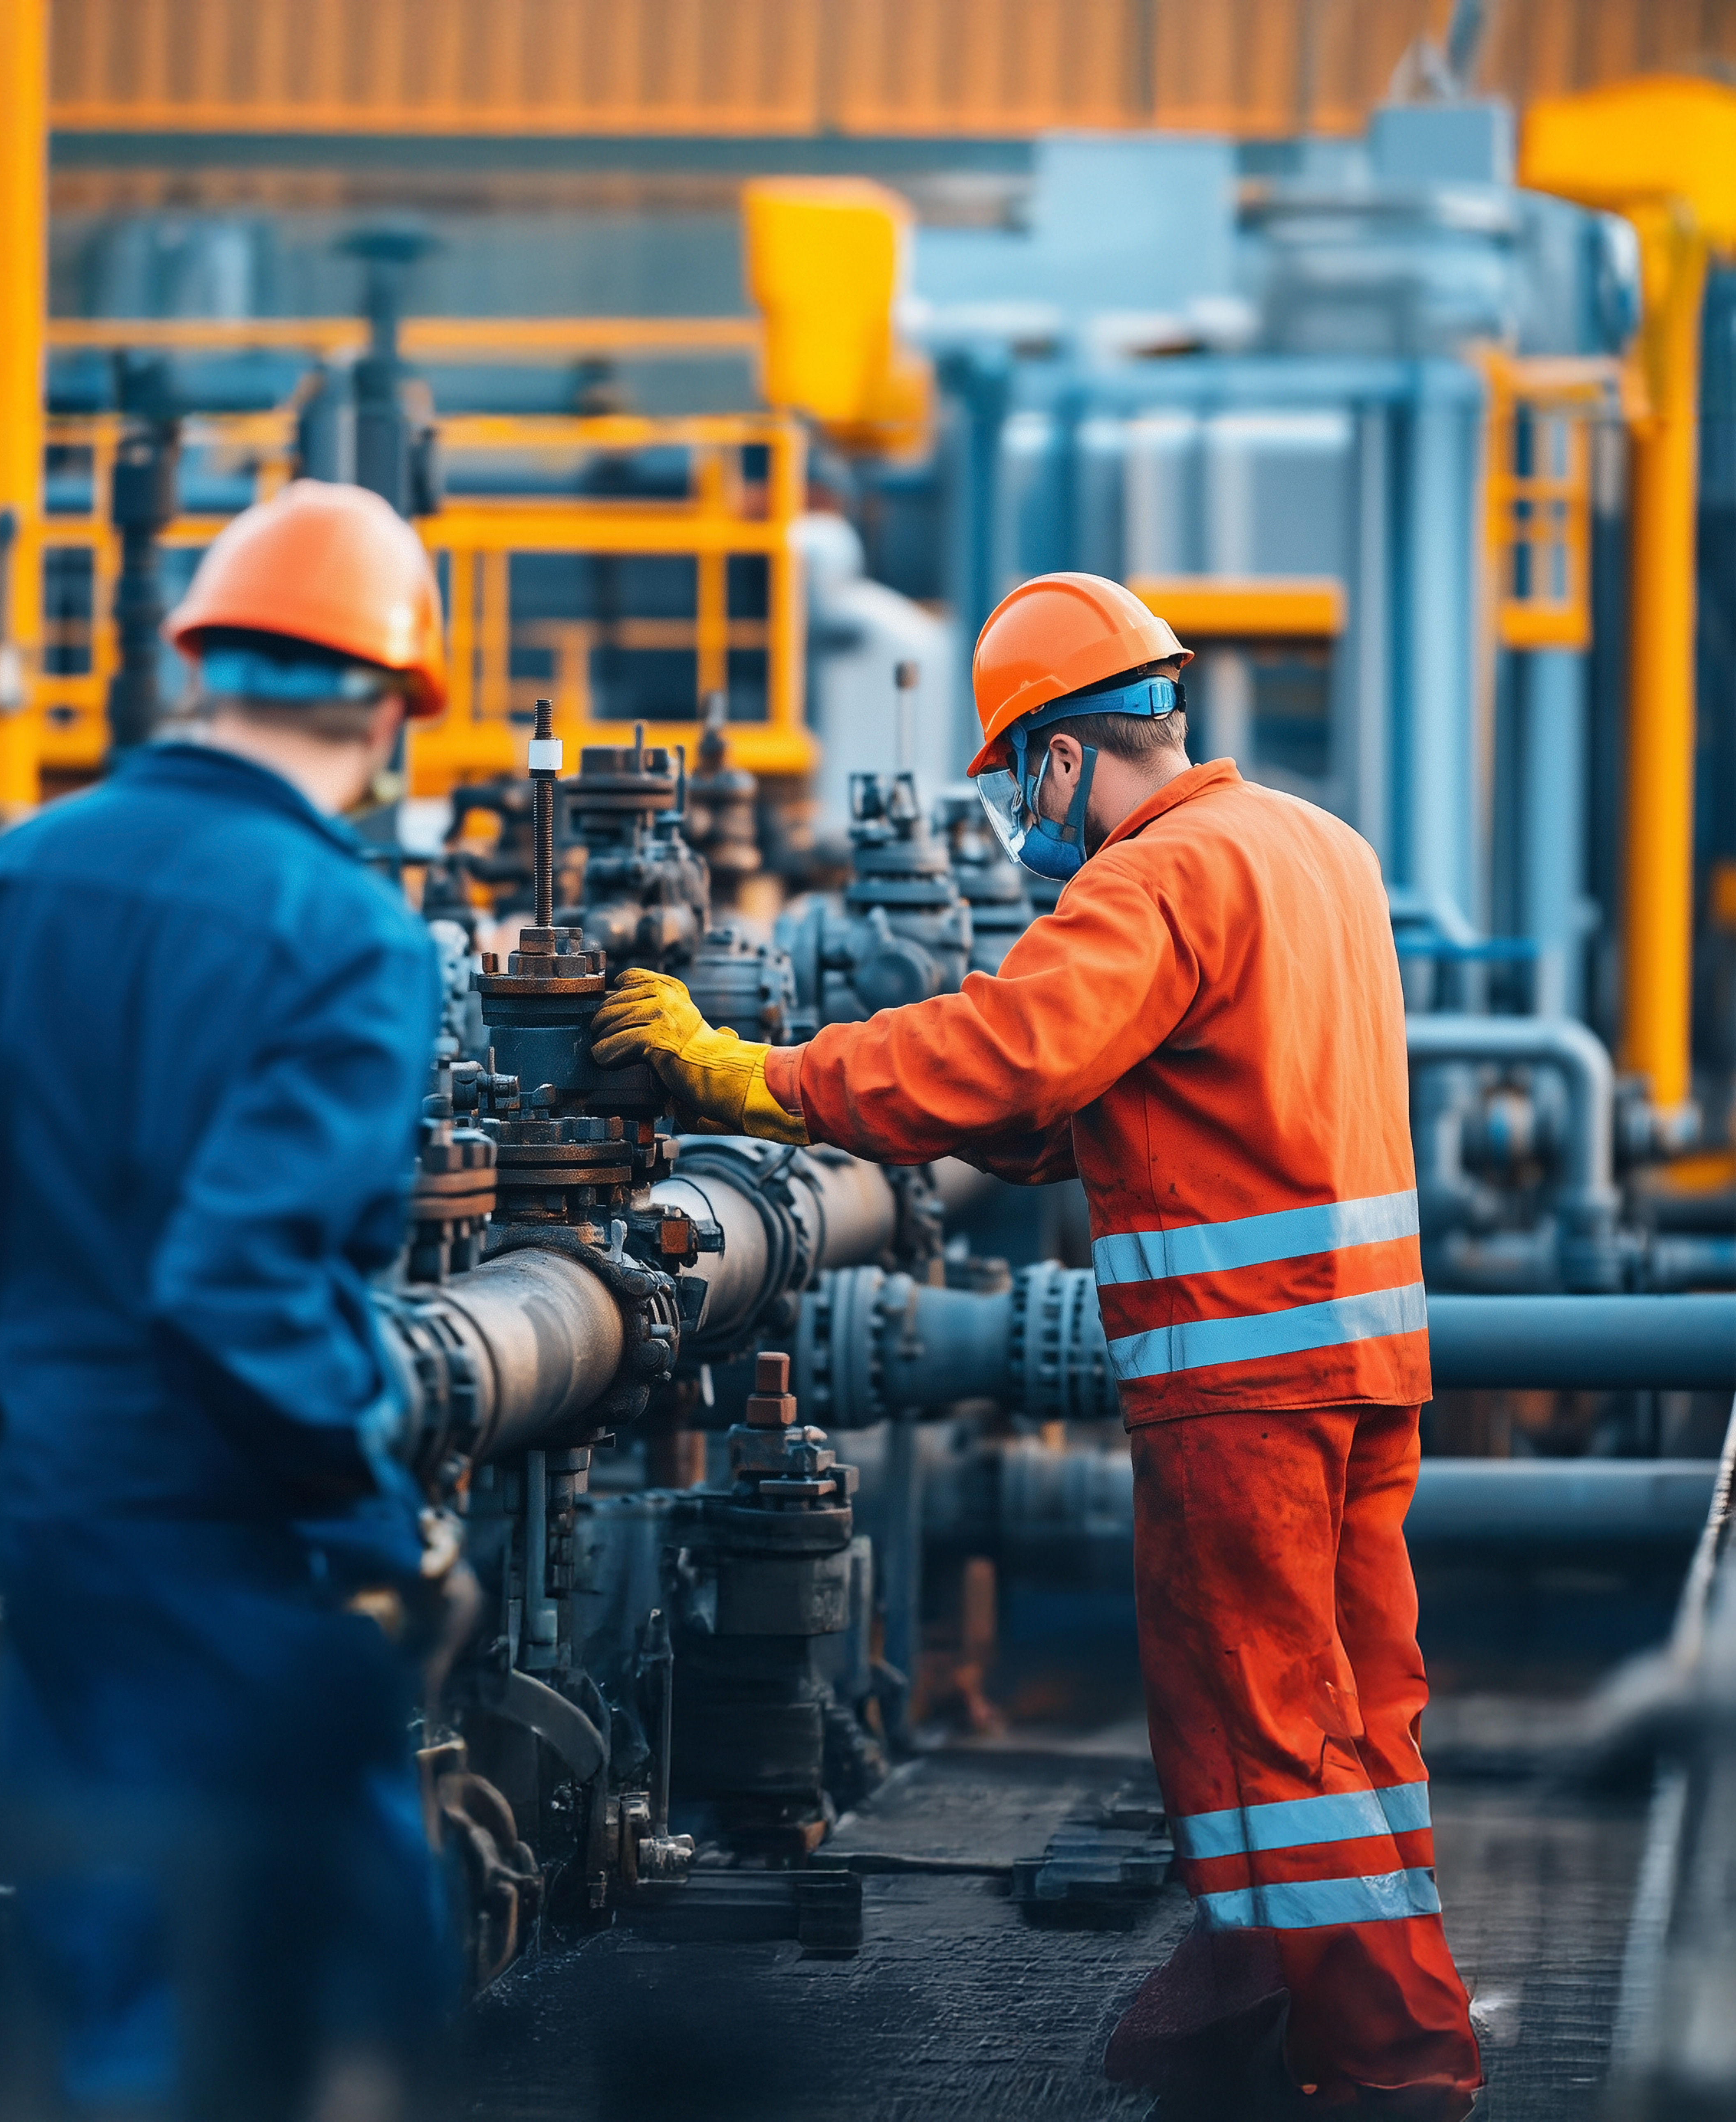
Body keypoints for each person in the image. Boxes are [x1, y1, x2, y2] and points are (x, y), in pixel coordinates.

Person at [589, 572, 1485, 2120]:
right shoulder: (1316, 850)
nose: (1016, 816)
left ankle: (1399, 2065)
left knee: (1266, 1721)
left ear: (1065, 756)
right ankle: (1262, 1981)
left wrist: (754, 1074)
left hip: (1240, 1375)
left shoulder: (1155, 879)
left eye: (1014, 778)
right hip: (1364, 1364)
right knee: (1357, 1712)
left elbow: (1007, 1053)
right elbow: (1133, 1100)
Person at [0, 480, 454, 2122]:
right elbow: (236, 1281)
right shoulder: (345, 931)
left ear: (203, 669)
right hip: (250, 1528)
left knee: (105, 1939)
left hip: (58, 1510)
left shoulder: (16, 874)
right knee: (327, 1980)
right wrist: (356, 1504)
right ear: (395, 709)